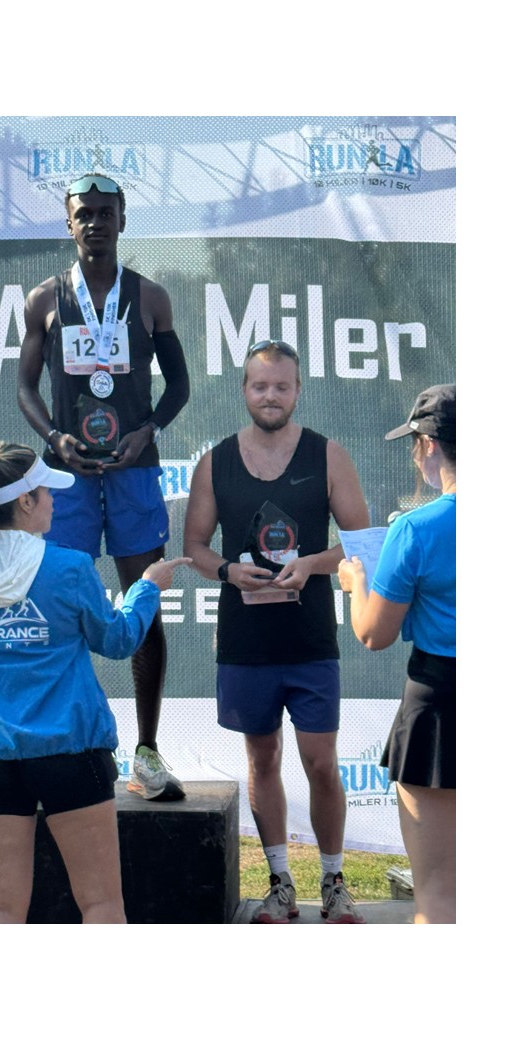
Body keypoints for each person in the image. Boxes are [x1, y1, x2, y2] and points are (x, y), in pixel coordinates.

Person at [0, 443, 191, 924]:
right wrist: (146, 588)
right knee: (101, 903)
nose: (53, 500)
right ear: (24, 502)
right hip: (69, 750)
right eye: (45, 491)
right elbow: (119, 639)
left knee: (0, 907)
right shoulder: (69, 566)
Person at [183, 340, 371, 924]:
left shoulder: (327, 455)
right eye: (260, 386)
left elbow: (361, 543)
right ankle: (280, 883)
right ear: (244, 390)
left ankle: (334, 881)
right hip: (246, 643)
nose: (271, 396)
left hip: (310, 640)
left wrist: (312, 563)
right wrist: (226, 570)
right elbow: (194, 546)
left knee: (321, 762)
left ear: (297, 391)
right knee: (261, 760)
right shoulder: (215, 461)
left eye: (281, 387)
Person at [18, 172, 190, 801]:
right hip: (66, 476)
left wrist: (148, 432)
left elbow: (179, 386)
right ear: (69, 223)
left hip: (133, 472)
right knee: (60, 607)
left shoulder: (150, 297)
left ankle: (146, 752)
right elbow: (25, 387)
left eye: (104, 212)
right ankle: (70, 744)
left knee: (143, 605)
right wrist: (55, 438)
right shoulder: (44, 299)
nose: (94, 222)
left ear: (122, 219)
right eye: (83, 213)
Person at [338, 385, 456, 924]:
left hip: (440, 706)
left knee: (439, 894)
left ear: (428, 446)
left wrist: (355, 583)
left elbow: (373, 633)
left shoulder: (416, 528)